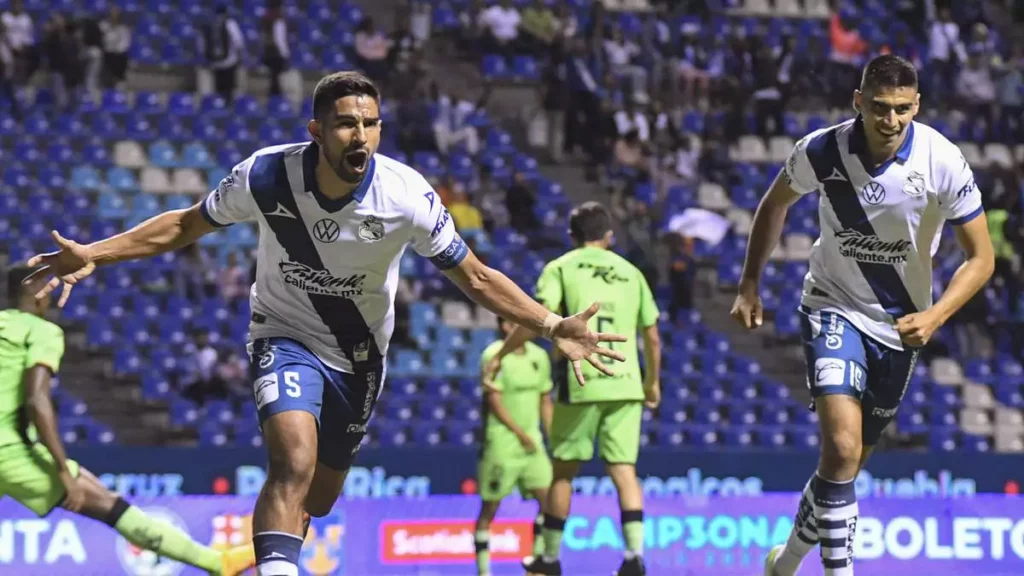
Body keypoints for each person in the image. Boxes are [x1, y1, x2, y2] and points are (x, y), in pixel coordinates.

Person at [25, 71, 626, 576]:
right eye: (345, 123)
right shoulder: (266, 176)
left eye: (369, 123)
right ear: (317, 131)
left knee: (320, 494)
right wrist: (96, 252)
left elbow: (475, 276)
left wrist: (551, 325)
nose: (359, 135)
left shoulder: (407, 196)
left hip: (361, 357)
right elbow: (185, 225)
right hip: (282, 335)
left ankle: (282, 549)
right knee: (292, 461)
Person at [730, 55, 994, 576]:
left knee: (843, 466)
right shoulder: (821, 150)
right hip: (832, 305)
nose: (889, 120)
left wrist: (938, 315)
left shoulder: (943, 161)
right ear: (858, 102)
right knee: (844, 446)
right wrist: (750, 282)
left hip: (902, 325)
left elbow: (981, 257)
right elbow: (774, 203)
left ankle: (784, 563)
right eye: (879, 107)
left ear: (916, 106)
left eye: (901, 109)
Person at [0, 267, 254, 576]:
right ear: (33, 288)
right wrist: (63, 469)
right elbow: (37, 399)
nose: (54, 290)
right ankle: (218, 564)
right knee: (111, 506)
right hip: (10, 452)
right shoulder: (41, 331)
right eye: (48, 283)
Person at [483, 202, 662, 576]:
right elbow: (653, 338)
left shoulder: (560, 267)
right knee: (624, 470)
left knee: (563, 473)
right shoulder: (632, 273)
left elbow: (536, 318)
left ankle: (548, 557)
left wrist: (503, 352)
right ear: (609, 237)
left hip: (582, 381)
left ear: (572, 236)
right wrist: (652, 383)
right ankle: (633, 557)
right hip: (626, 385)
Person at [474, 316, 553, 576]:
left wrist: (552, 435)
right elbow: (494, 400)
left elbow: (545, 399)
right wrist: (520, 433)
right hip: (502, 443)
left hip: (533, 444)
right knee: (490, 507)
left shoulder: (539, 357)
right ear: (506, 327)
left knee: (549, 501)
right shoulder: (493, 355)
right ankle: (484, 571)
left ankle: (536, 565)